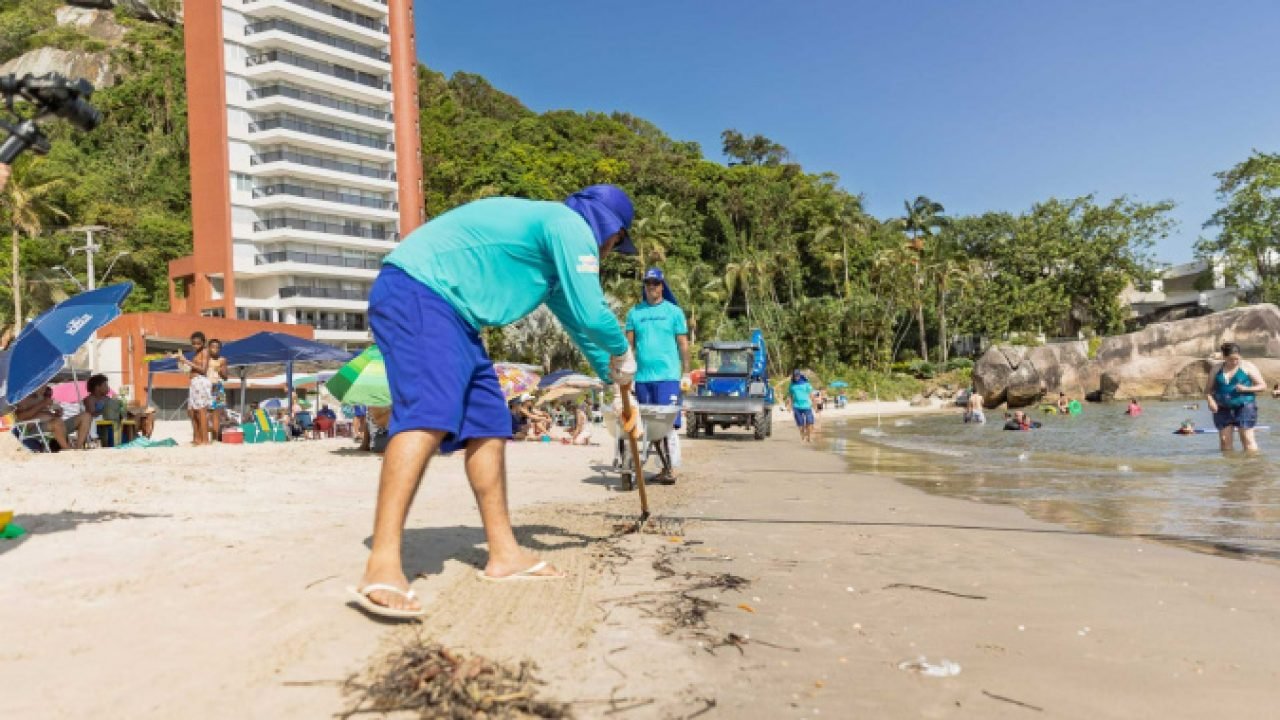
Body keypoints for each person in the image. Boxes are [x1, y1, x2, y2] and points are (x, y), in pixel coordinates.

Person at [349, 184, 639, 618]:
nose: (611, 252)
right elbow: (594, 312)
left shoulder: (553, 258)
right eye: (616, 244)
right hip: (420, 290)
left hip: (458, 316)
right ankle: (383, 564)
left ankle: (503, 554)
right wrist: (623, 351)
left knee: (488, 421)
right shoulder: (570, 226)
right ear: (609, 229)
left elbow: (579, 324)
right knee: (428, 413)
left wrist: (613, 374)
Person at [624, 267, 689, 484]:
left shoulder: (674, 312)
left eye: (656, 283)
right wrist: (623, 372)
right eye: (648, 284)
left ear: (662, 286)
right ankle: (660, 466)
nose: (652, 287)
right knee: (650, 425)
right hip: (643, 378)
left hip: (668, 377)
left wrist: (686, 372)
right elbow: (628, 346)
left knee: (666, 424)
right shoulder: (635, 313)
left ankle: (670, 467)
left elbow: (683, 344)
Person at [1206, 341, 1266, 452]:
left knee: (1247, 439)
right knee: (1224, 442)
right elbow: (1208, 390)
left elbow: (1263, 386)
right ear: (1224, 357)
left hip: (1245, 406)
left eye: (1237, 359)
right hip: (1222, 408)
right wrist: (1210, 401)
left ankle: (1251, 467)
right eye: (1231, 359)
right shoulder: (1216, 368)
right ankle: (1231, 467)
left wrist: (1246, 389)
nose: (1234, 362)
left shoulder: (1248, 366)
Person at [12, 384, 82, 450]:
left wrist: (58, 413)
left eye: (45, 385)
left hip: (55, 424)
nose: (44, 388)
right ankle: (67, 448)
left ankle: (78, 447)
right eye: (42, 386)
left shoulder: (43, 397)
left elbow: (51, 413)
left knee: (85, 416)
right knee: (57, 422)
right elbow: (20, 416)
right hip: (36, 427)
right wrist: (42, 404)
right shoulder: (25, 399)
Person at [173, 331, 211, 446]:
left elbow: (203, 369)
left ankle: (205, 439)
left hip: (201, 381)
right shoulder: (196, 354)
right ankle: (197, 438)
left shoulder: (205, 352)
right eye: (193, 344)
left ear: (203, 343)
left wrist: (186, 361)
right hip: (194, 382)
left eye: (198, 343)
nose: (195, 346)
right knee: (192, 412)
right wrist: (181, 362)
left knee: (201, 411)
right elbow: (191, 369)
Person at [206, 339, 229, 442]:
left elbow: (225, 377)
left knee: (217, 414)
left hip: (219, 388)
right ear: (208, 348)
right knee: (207, 413)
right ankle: (205, 435)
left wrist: (219, 370)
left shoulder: (222, 360)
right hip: (207, 387)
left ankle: (215, 438)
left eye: (217, 347)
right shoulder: (205, 359)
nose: (215, 349)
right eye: (213, 347)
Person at [788, 371, 816, 442]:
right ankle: (803, 436)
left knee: (809, 422)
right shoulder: (792, 385)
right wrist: (789, 406)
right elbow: (790, 396)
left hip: (807, 406)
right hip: (797, 407)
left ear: (800, 376)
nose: (796, 377)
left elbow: (811, 395)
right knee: (800, 424)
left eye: (797, 376)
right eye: (794, 376)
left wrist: (814, 405)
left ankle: (809, 437)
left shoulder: (806, 384)